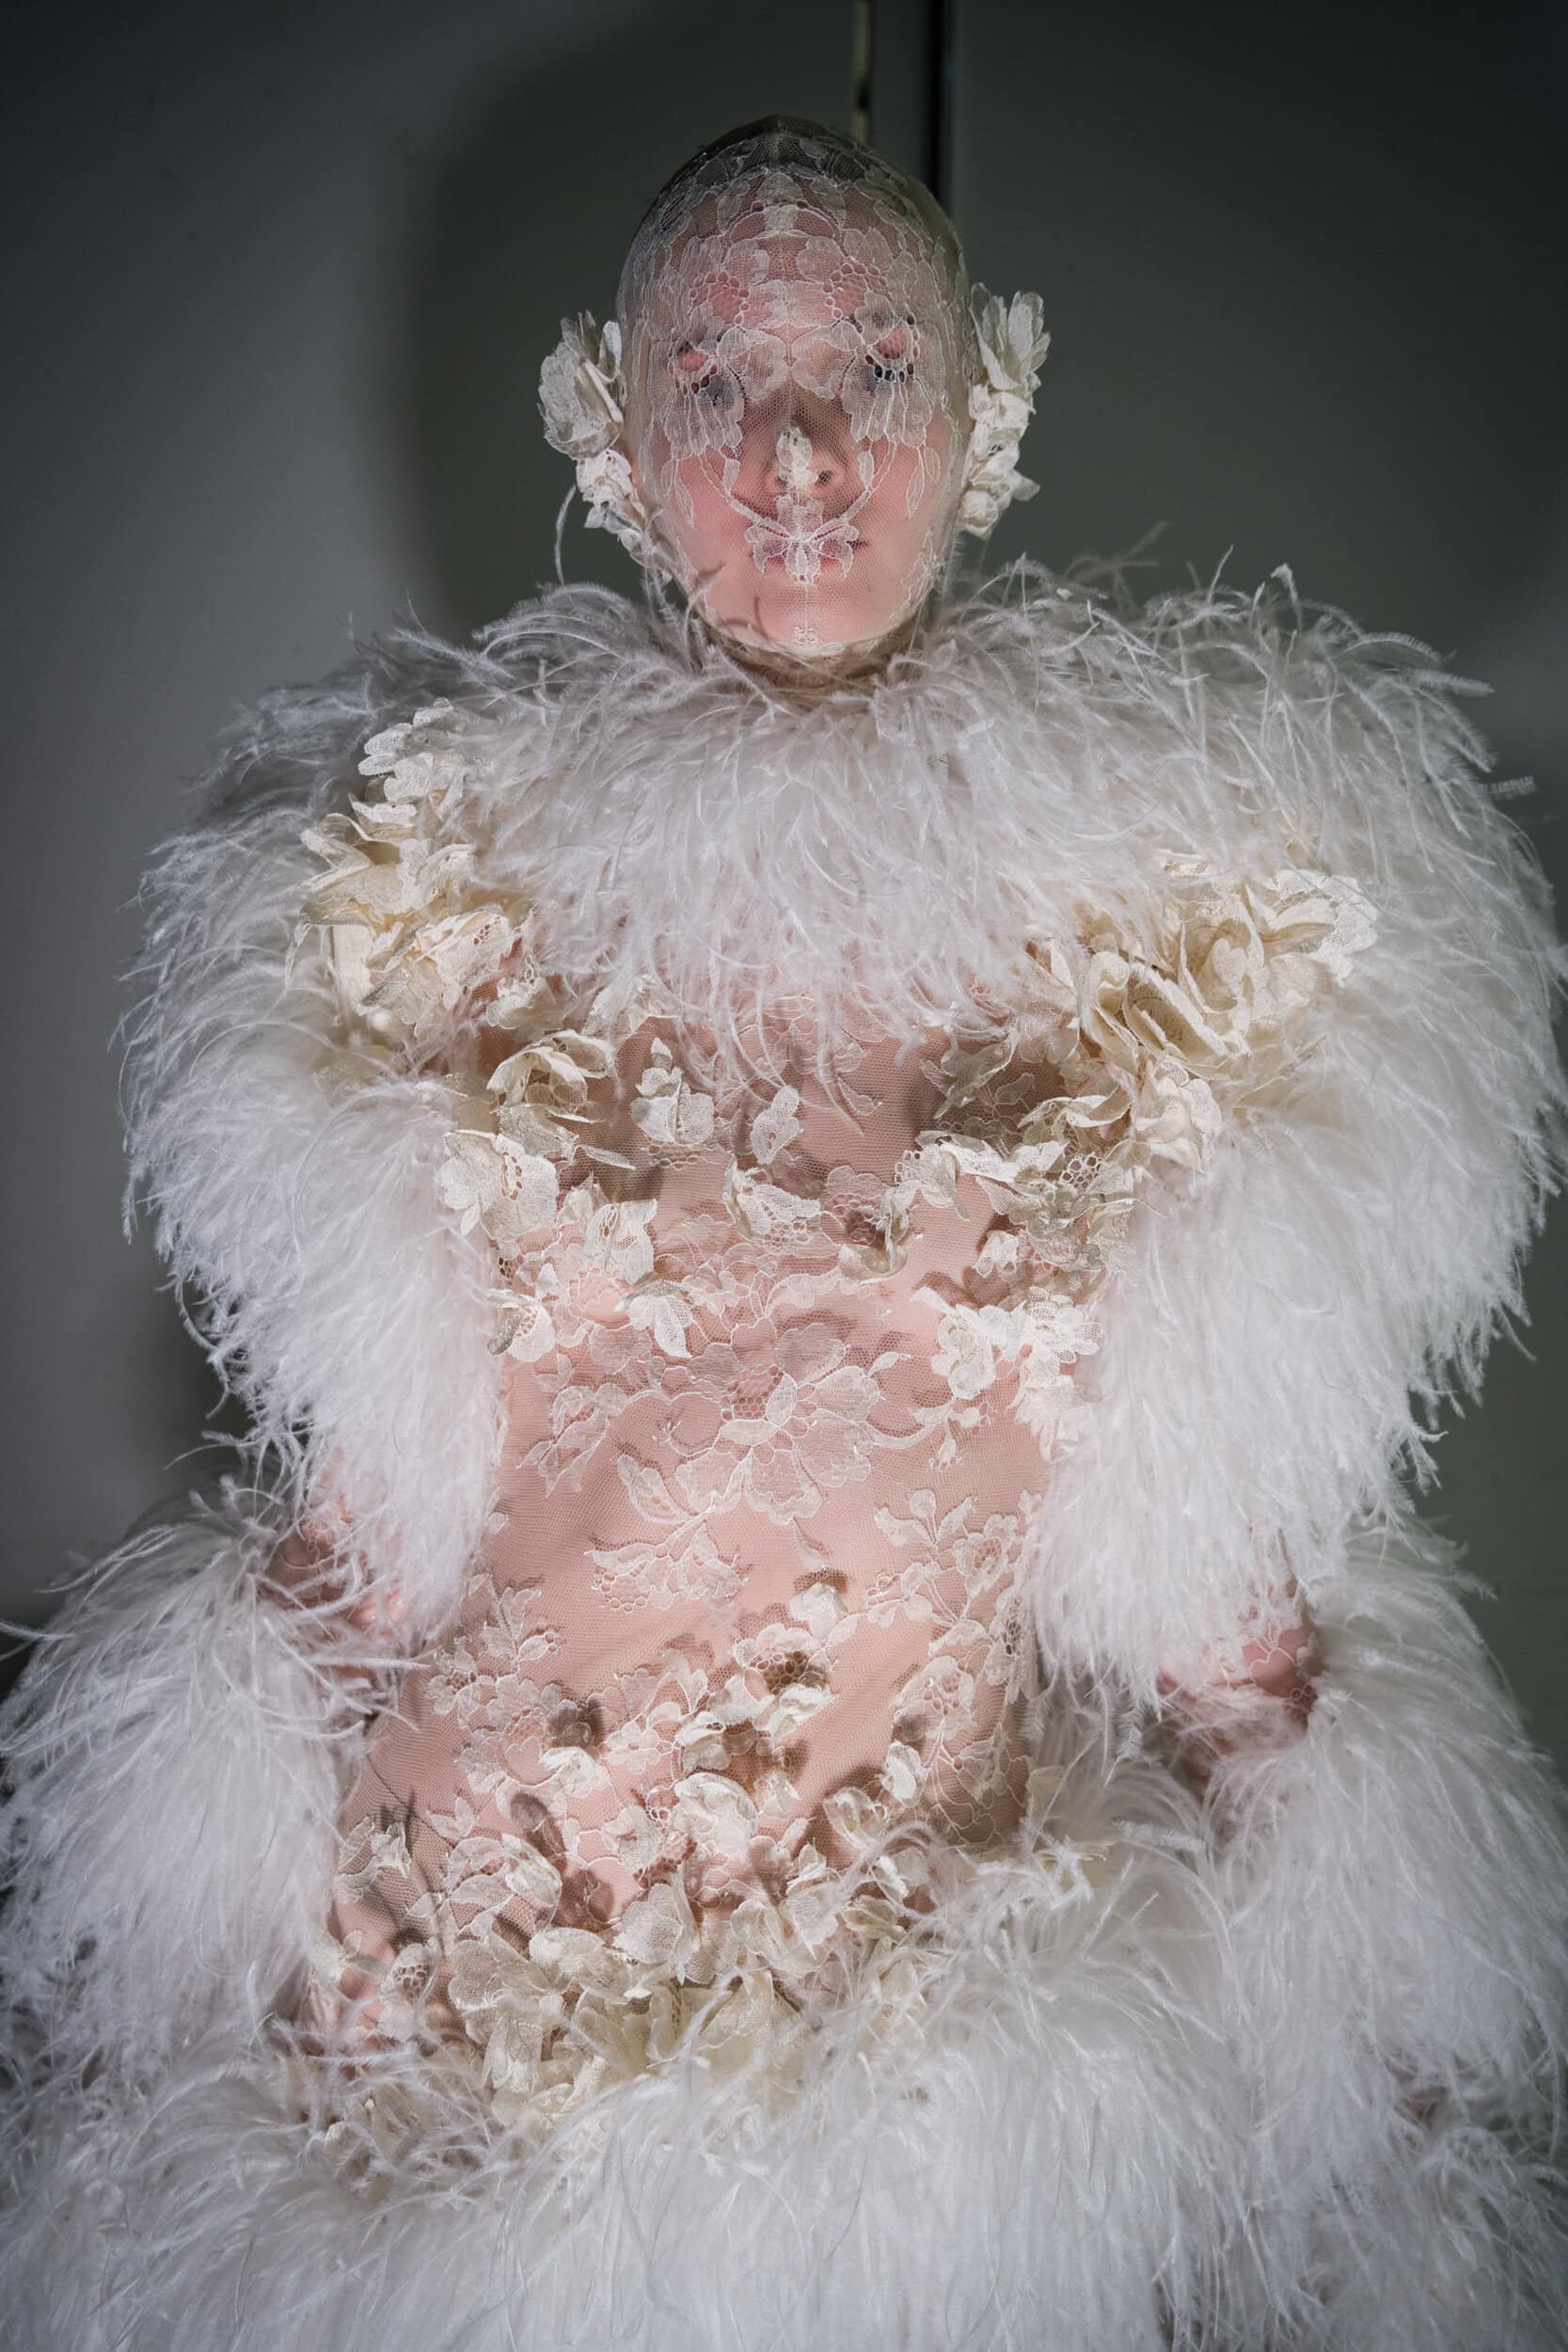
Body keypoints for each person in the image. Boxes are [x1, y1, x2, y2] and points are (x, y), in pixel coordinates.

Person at [3, 114, 1565, 2352]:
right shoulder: (434, 882)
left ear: (984, 408)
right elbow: (374, 1537)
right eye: (720, 383)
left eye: (872, 371)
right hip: (429, 2031)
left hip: (919, 2086)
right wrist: (138, 2001)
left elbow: (1215, 1580)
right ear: (619, 440)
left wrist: (1387, 2113)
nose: (802, 454)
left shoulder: (1185, 913)